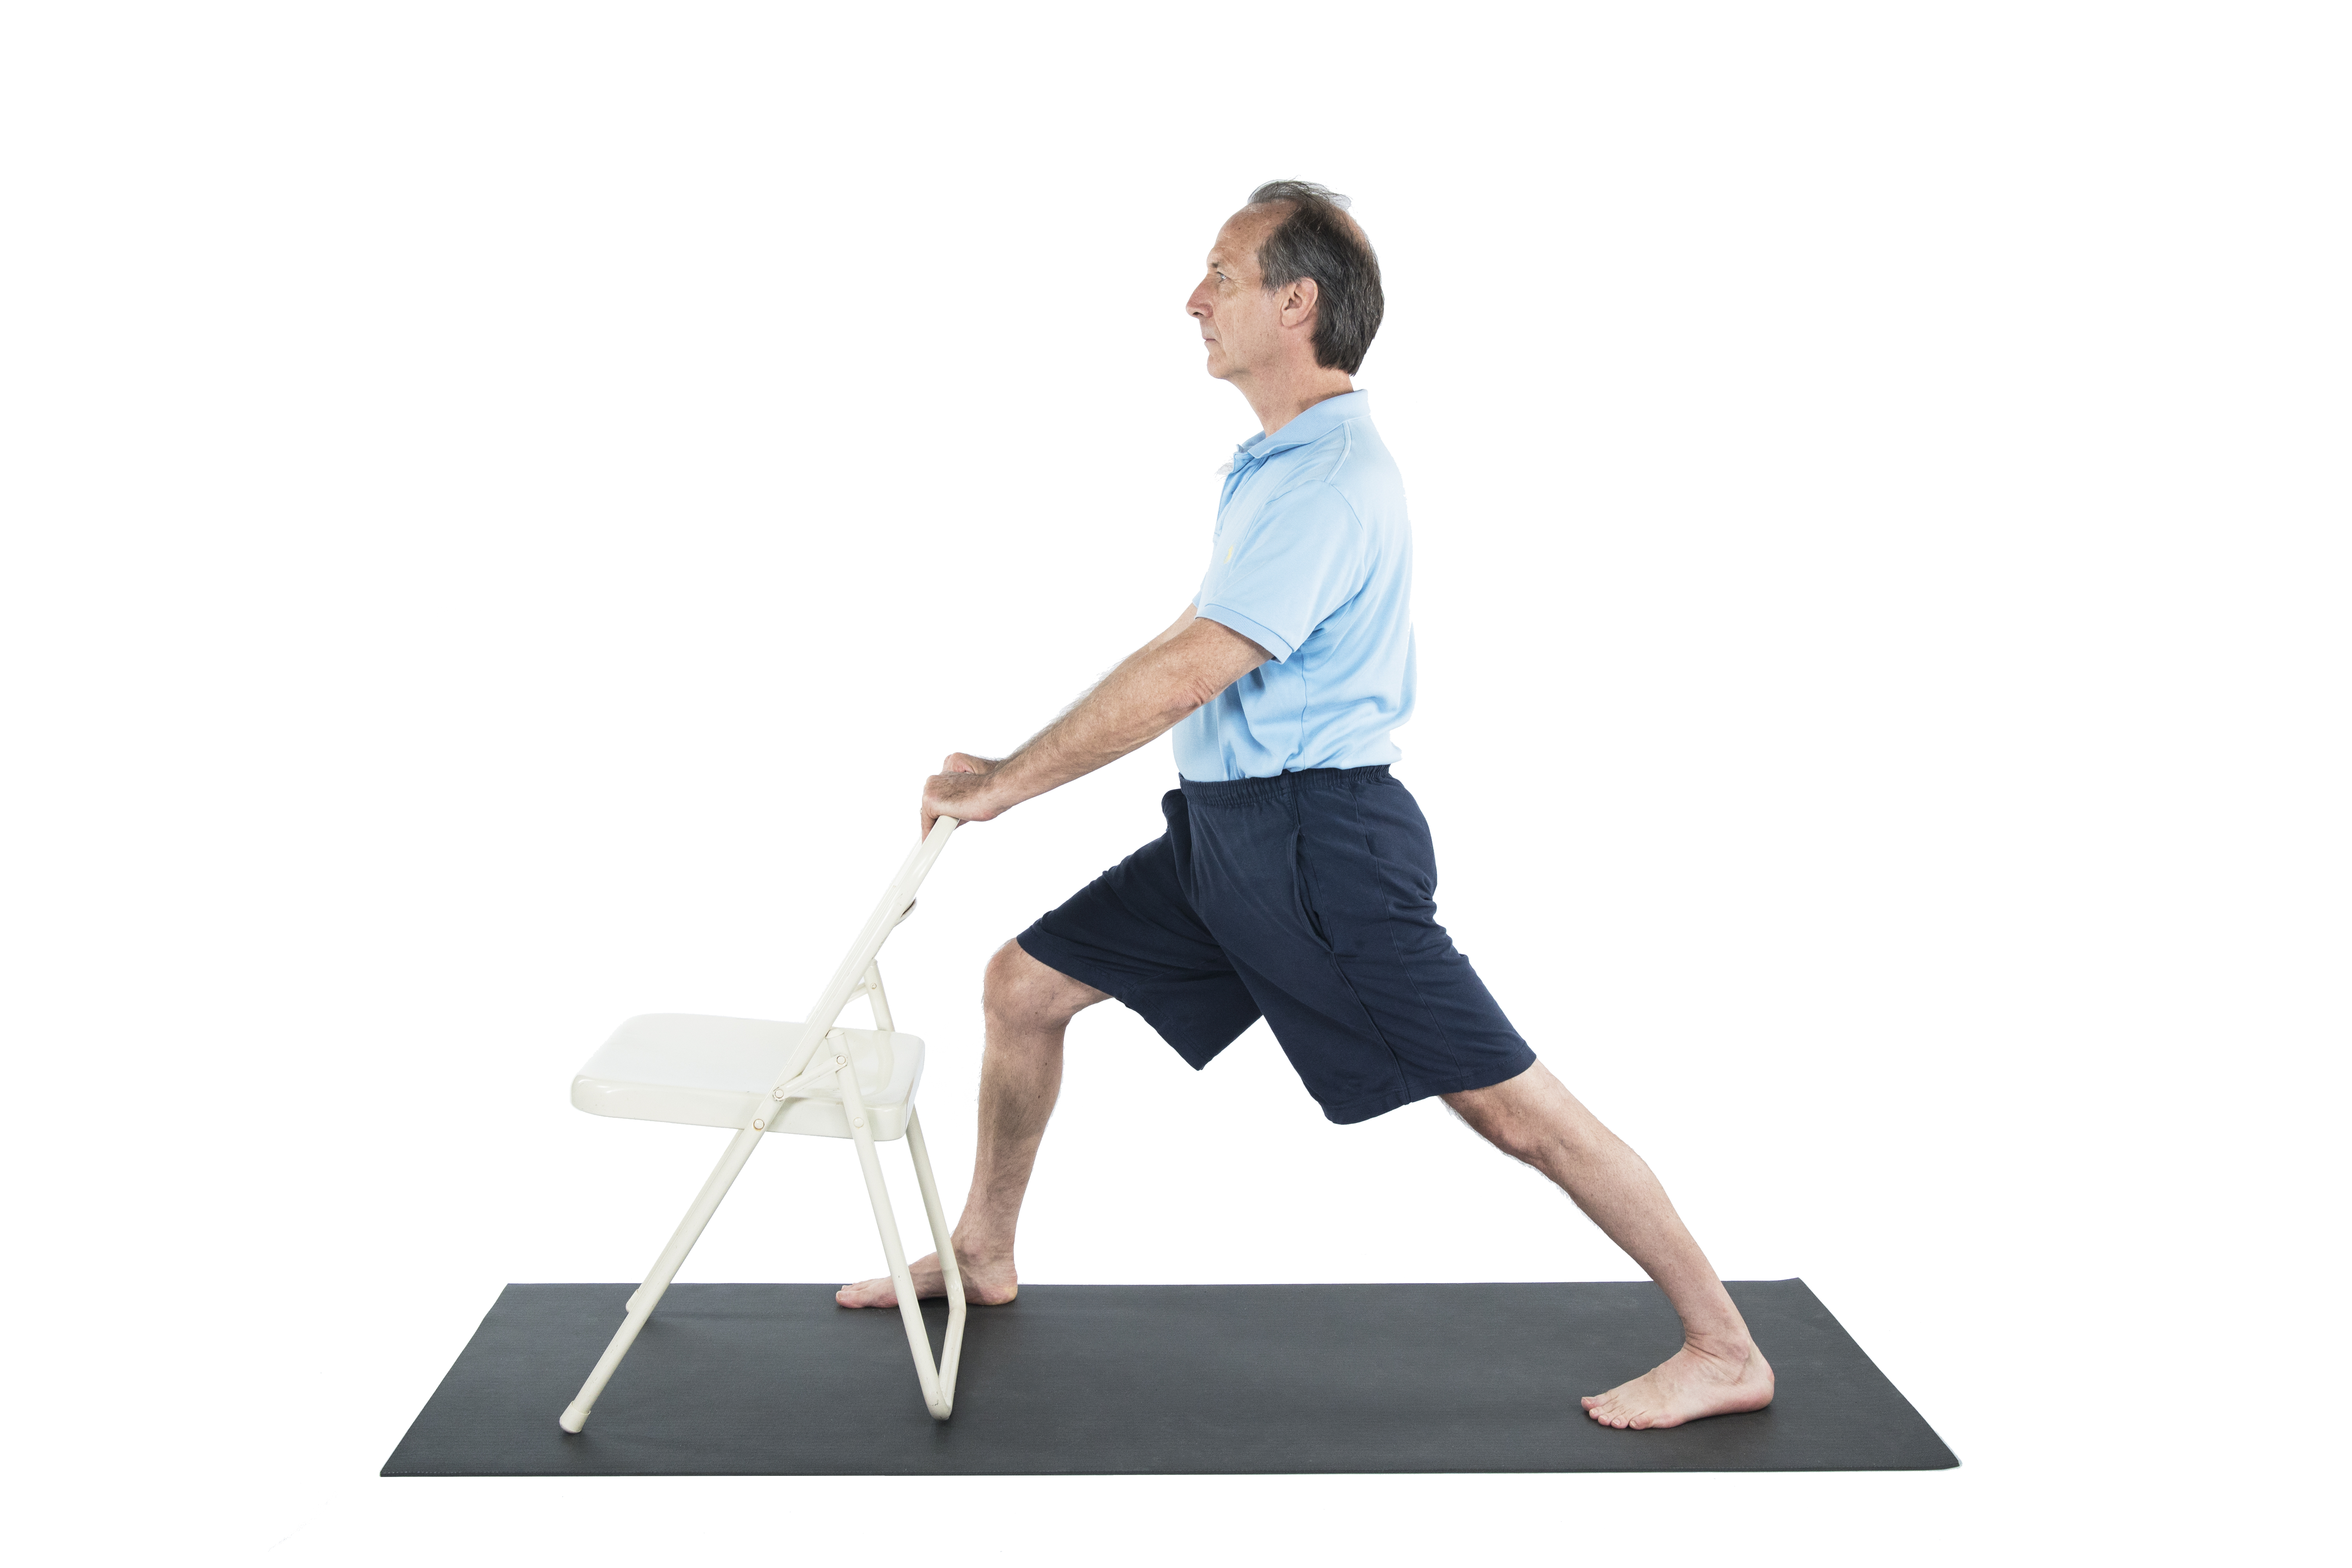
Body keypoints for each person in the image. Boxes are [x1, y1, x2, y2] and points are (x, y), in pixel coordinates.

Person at [838, 181, 1773, 1430]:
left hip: (1318, 851)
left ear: (1297, 301)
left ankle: (1722, 1345)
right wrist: (1012, 758)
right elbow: (1187, 637)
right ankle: (985, 1250)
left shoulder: (1332, 476)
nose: (1193, 298)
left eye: (1219, 275)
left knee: (1513, 1109)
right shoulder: (1277, 464)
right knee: (1022, 988)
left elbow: (1195, 666)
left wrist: (1010, 786)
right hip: (1229, 842)